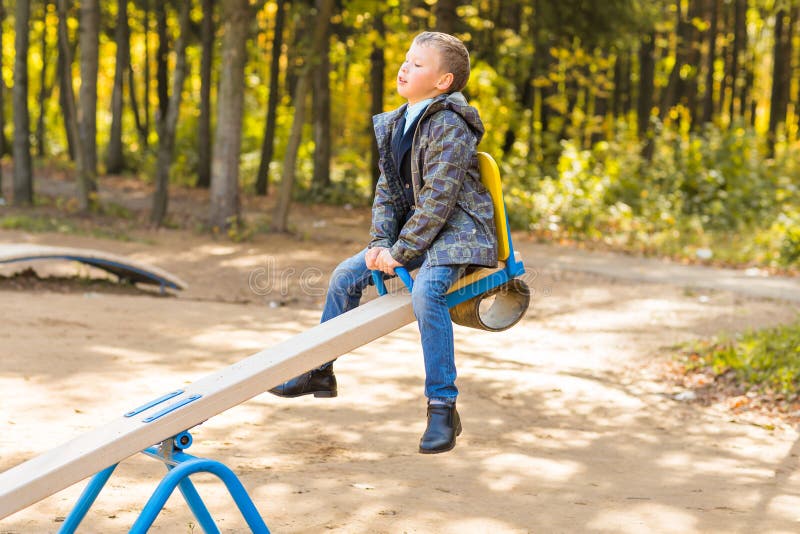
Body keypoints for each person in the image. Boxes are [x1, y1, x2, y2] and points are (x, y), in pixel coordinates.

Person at [270, 31, 497, 454]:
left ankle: (442, 407)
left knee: (428, 294)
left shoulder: (450, 125)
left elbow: (439, 200)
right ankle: (321, 369)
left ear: (442, 82)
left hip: (458, 234)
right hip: (418, 235)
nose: (404, 67)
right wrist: (379, 244)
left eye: (417, 64)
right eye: (405, 59)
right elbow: (387, 193)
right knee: (343, 277)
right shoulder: (396, 122)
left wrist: (400, 253)